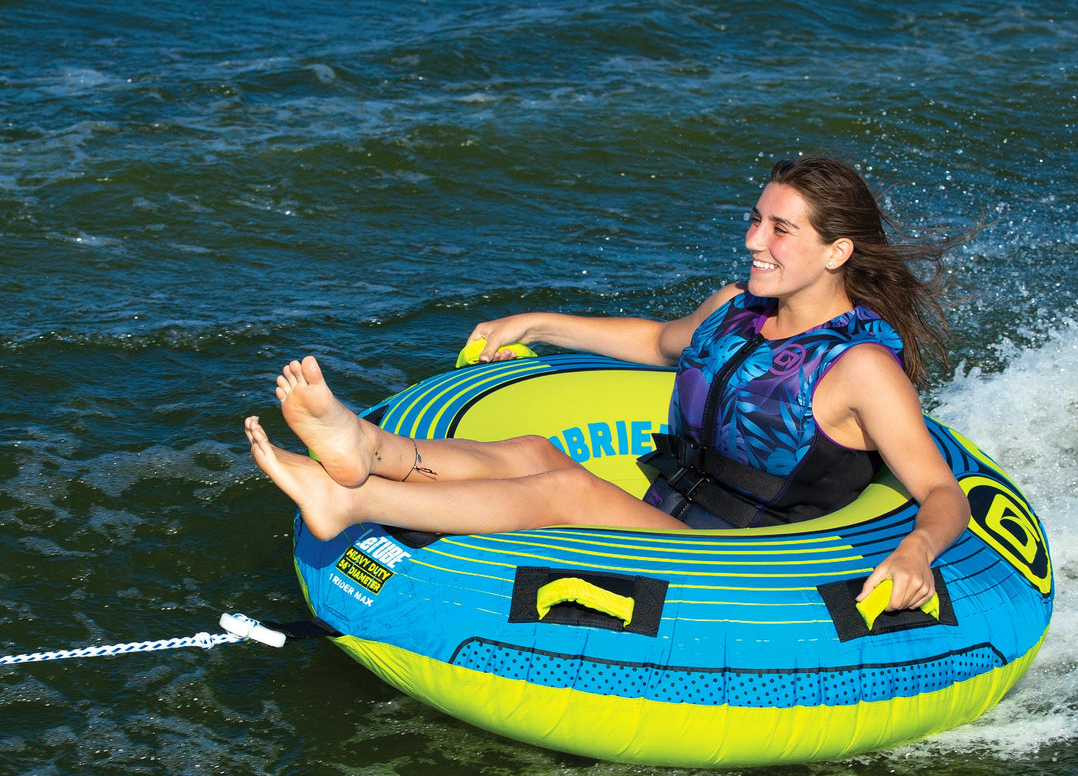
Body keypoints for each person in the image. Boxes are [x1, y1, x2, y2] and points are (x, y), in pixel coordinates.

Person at [245, 154, 972, 611]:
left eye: (781, 229)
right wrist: (536, 322)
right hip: (670, 519)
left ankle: (353, 501)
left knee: (568, 490)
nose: (754, 239)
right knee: (534, 451)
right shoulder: (735, 309)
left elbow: (943, 492)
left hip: (752, 567)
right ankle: (366, 446)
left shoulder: (861, 369)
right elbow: (657, 342)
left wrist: (915, 551)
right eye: (756, 220)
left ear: (837, 250)